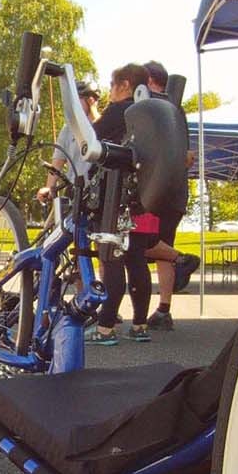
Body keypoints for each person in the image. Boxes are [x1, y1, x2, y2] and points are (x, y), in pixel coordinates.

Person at [87, 63, 155, 345]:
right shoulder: (151, 114)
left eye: (112, 86)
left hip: (112, 195)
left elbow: (90, 139)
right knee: (137, 259)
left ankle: (105, 327)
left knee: (110, 259)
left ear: (125, 85)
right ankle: (139, 325)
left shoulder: (119, 111)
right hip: (140, 197)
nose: (110, 93)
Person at [139, 60, 200, 332]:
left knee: (137, 243)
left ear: (150, 80)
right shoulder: (177, 110)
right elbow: (185, 155)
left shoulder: (150, 109)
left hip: (153, 192)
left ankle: (181, 259)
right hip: (175, 193)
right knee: (161, 245)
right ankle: (164, 309)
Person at [36, 78, 101, 208]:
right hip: (73, 191)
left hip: (96, 193)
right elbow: (57, 163)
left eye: (78, 100)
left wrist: (95, 116)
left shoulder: (102, 127)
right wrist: (49, 187)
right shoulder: (68, 129)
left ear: (91, 100)